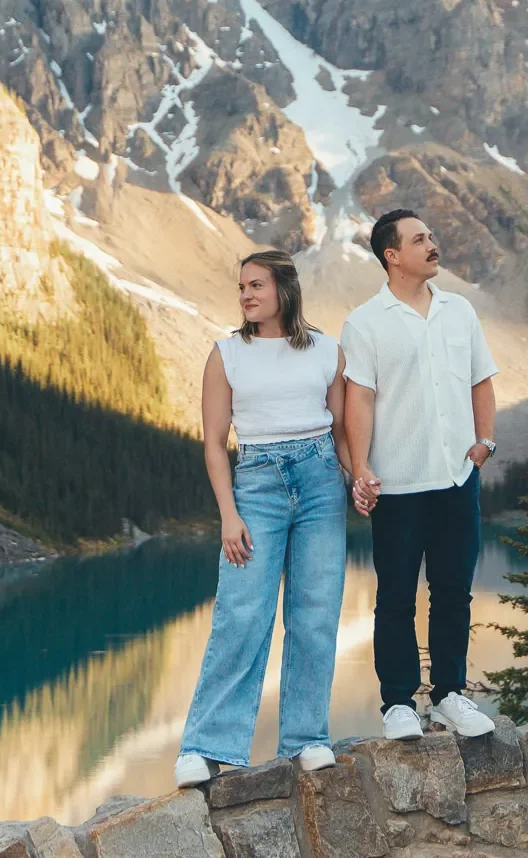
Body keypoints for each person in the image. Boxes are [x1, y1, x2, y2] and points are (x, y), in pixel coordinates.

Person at [175, 249, 350, 786]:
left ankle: (306, 739)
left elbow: (342, 432)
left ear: (284, 289)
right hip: (255, 484)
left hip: (322, 481)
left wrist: (357, 478)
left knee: (315, 612)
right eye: (242, 288)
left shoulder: (327, 349)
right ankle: (206, 747)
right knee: (243, 613)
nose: (247, 295)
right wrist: (229, 514)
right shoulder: (226, 354)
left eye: (257, 285)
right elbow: (213, 444)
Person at [342, 209, 500, 741]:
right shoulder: (366, 322)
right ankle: (398, 705)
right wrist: (361, 467)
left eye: (431, 235)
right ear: (393, 255)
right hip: (399, 485)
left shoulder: (460, 311)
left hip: (457, 479)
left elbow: (482, 380)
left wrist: (483, 444)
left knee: (454, 592)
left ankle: (451, 694)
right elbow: (357, 398)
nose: (433, 243)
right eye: (419, 239)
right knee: (395, 598)